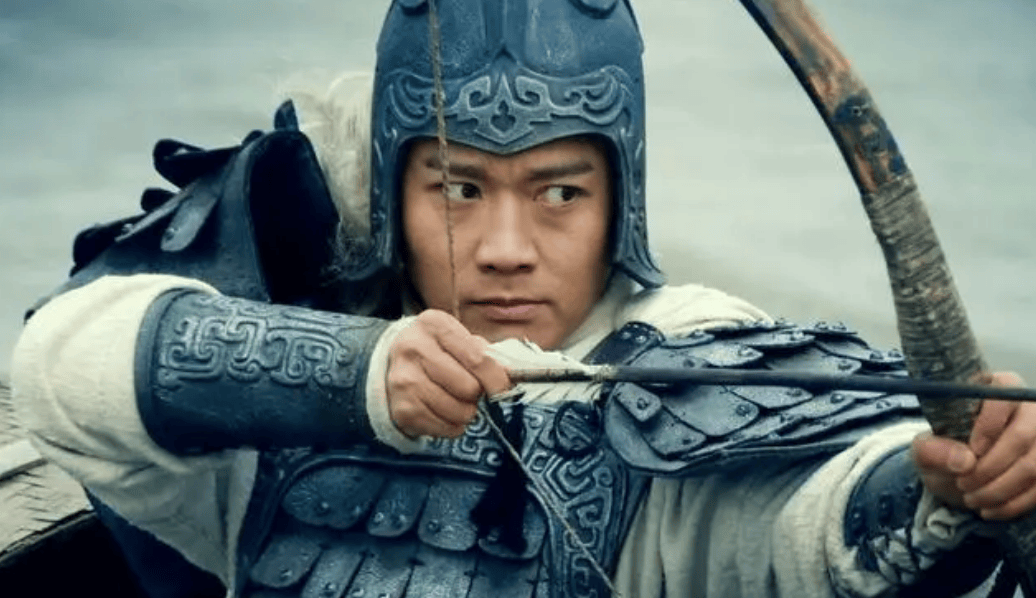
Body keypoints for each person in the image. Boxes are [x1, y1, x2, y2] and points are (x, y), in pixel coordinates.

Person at [10, 0, 1036, 596]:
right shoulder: (288, 387)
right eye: (457, 189)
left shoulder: (680, 354)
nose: (504, 252)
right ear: (393, 193)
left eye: (559, 193)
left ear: (620, 201)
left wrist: (943, 482)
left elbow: (799, 528)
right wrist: (355, 375)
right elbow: (62, 363)